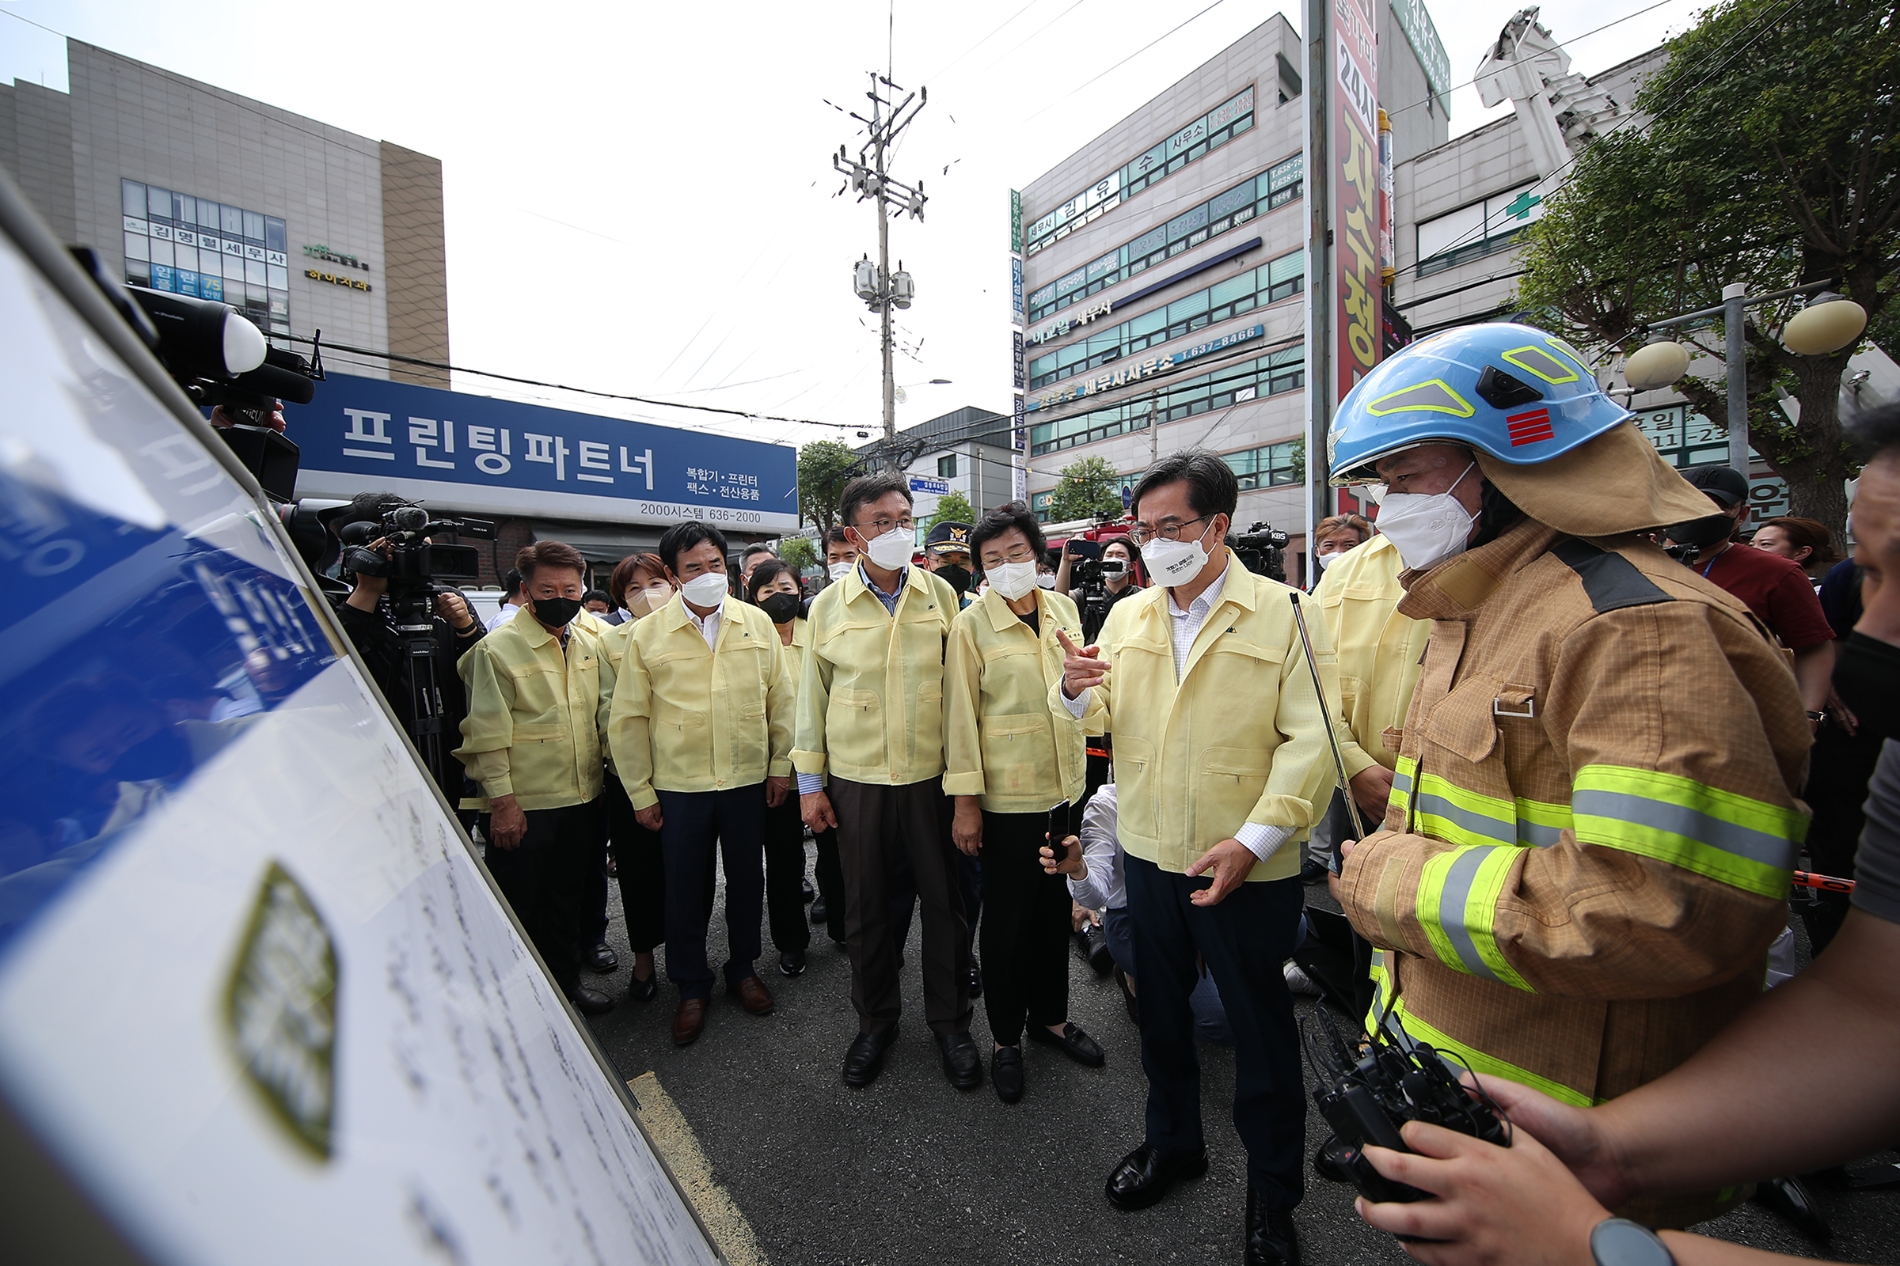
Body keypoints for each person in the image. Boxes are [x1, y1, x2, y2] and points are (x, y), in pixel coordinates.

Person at [1349, 400, 1900, 1265]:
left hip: (1573, 1091)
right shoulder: (1485, 606)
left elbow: (1656, 905)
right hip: (1490, 1082)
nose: (1388, 510)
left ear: (1506, 468)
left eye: (1405, 480)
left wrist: (1387, 882)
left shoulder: (1635, 627)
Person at [1055, 448, 1340, 1266]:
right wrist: (1074, 691)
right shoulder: (1131, 614)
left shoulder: (1286, 610)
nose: (1153, 544)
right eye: (1143, 530)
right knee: (1162, 1019)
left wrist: (1255, 841)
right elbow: (1099, 714)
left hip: (1246, 864)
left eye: (1169, 526)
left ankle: (1272, 1197)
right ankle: (1173, 1144)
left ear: (1217, 525)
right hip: (1149, 853)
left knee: (1260, 1034)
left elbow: (1312, 740)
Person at [794, 473, 977, 1090]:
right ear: (853, 534)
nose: (899, 531)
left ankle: (951, 1023)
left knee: (946, 908)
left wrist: (966, 788)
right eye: (882, 522)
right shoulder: (826, 606)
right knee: (868, 911)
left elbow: (960, 696)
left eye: (905, 518)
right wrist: (810, 786)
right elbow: (811, 699)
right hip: (858, 781)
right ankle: (875, 1023)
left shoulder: (941, 597)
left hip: (932, 779)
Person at [943, 501, 1105, 1103]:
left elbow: (1082, 687)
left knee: (1051, 911)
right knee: (1008, 921)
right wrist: (965, 804)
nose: (1007, 566)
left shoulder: (1062, 608)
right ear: (980, 568)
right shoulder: (970, 625)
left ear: (1036, 555)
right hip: (1004, 801)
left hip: (1062, 788)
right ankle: (1007, 1036)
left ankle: (1052, 1019)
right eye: (993, 559)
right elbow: (960, 718)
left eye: (1016, 554)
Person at [607, 522, 792, 1046]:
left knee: (745, 882)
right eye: (693, 568)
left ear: (727, 568)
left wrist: (780, 767)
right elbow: (628, 720)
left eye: (714, 565)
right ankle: (691, 985)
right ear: (672, 574)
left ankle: (743, 969)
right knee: (684, 889)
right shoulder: (647, 634)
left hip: (745, 780)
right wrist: (641, 793)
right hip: (679, 787)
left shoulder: (756, 624)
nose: (707, 575)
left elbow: (782, 703)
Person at [455, 541, 614, 1015]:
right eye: (548, 589)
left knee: (568, 900)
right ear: (526, 591)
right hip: (523, 804)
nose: (561, 596)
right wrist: (502, 802)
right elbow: (486, 731)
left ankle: (564, 990)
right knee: (521, 906)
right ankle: (516, 1002)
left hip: (583, 795)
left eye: (571, 588)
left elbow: (604, 716)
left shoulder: (588, 641)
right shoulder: (498, 649)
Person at [1300, 523, 1430, 997]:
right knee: (1364, 917)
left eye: (1408, 473)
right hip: (1363, 793)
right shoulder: (1343, 577)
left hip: (1458, 804)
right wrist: (1352, 766)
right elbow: (1312, 685)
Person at [325, 492, 487, 804]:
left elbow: (483, 670)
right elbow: (332, 668)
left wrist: (464, 626)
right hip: (371, 757)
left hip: (446, 749)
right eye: (396, 543)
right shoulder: (335, 599)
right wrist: (367, 592)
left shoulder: (444, 598)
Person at [596, 552, 707, 1003]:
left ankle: (694, 962)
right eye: (632, 590)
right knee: (640, 874)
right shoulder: (612, 642)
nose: (647, 595)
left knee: (691, 874)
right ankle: (644, 962)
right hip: (633, 778)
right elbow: (611, 713)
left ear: (672, 582)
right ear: (621, 599)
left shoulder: (701, 628)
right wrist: (636, 780)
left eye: (653, 583)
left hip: (688, 775)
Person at [1669, 464, 1836, 729]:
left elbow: (1813, 647)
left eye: (1718, 505)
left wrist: (1809, 715)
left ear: (1742, 514)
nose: (1699, 511)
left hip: (1739, 726)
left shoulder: (1777, 572)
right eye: (1689, 500)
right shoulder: (1632, 563)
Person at [747, 558, 815, 976]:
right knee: (785, 862)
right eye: (768, 591)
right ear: (752, 597)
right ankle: (791, 940)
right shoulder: (747, 638)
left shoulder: (819, 632)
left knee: (839, 856)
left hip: (826, 767)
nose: (779, 597)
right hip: (774, 774)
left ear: (800, 590)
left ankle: (845, 924)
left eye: (786, 588)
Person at [1751, 514, 1840, 588]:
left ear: (1802, 552)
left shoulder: (1817, 592)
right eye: (1751, 545)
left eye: (1765, 544)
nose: (1752, 550)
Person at [922, 520, 976, 609]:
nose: (954, 569)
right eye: (945, 562)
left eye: (963, 563)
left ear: (974, 567)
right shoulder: (912, 606)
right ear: (926, 564)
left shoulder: (981, 609)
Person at [1308, 513, 1372, 589]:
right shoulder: (1310, 596)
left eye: (1348, 545)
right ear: (1317, 551)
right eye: (1329, 545)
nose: (1338, 552)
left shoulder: (1374, 589)